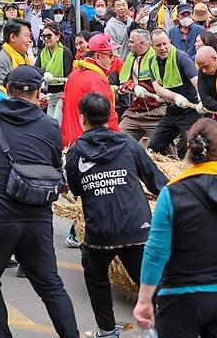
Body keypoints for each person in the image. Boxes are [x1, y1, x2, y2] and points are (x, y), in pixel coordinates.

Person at [133, 118, 217, 337]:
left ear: (190, 150)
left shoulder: (172, 194)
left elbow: (156, 251)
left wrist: (144, 300)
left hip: (180, 297)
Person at [0, 65, 80, 338]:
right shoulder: (50, 125)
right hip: (37, 216)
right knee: (51, 287)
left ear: (7, 91)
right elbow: (55, 163)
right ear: (39, 93)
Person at [66, 93, 168, 338]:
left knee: (96, 277)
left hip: (99, 231)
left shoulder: (75, 151)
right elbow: (156, 181)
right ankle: (163, 327)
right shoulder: (128, 143)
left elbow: (76, 189)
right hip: (137, 226)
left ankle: (108, 330)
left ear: (82, 119)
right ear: (110, 116)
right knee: (150, 281)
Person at [147, 29, 201, 159]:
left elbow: (197, 82)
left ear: (170, 42)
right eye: (158, 45)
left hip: (190, 110)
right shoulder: (151, 62)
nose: (163, 48)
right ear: (152, 46)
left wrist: (201, 100)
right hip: (172, 110)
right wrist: (175, 97)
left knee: (189, 147)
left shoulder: (181, 57)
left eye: (165, 44)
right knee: (153, 147)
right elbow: (157, 88)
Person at [61, 33, 120, 148]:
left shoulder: (74, 74)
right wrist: (119, 141)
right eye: (110, 55)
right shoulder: (97, 80)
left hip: (69, 142)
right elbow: (109, 118)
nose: (113, 59)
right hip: (89, 145)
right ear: (97, 56)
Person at [118, 29, 165, 144]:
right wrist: (132, 86)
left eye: (131, 42)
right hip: (133, 113)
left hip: (155, 113)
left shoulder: (157, 58)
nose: (128, 45)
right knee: (118, 142)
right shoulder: (131, 56)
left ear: (142, 44)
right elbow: (123, 78)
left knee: (164, 150)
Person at [34, 22, 73, 122]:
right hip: (48, 95)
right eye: (43, 36)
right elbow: (36, 69)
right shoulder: (42, 52)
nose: (46, 38)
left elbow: (69, 74)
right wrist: (44, 74)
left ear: (57, 37)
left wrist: (57, 78)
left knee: (56, 122)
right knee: (50, 121)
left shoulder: (65, 52)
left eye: (49, 35)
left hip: (61, 93)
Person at [0, 18, 32, 96]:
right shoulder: (2, 60)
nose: (29, 40)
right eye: (27, 36)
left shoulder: (23, 56)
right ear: (13, 37)